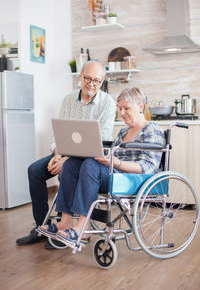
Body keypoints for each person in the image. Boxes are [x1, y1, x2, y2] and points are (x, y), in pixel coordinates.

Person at [38, 87, 164, 247]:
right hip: (114, 175)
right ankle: (66, 221)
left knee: (91, 165)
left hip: (134, 179)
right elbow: (113, 158)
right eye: (120, 108)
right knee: (71, 164)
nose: (122, 112)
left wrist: (116, 163)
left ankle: (82, 227)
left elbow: (148, 167)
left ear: (140, 106)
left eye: (126, 108)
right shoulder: (123, 132)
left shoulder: (152, 129)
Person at [16, 61, 116, 246]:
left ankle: (66, 227)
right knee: (34, 171)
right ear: (80, 76)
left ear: (102, 82)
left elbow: (100, 140)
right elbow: (58, 132)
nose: (91, 84)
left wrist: (67, 159)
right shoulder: (69, 99)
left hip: (89, 158)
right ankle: (42, 227)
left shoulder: (107, 103)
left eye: (97, 81)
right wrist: (57, 154)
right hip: (63, 152)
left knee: (68, 168)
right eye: (87, 78)